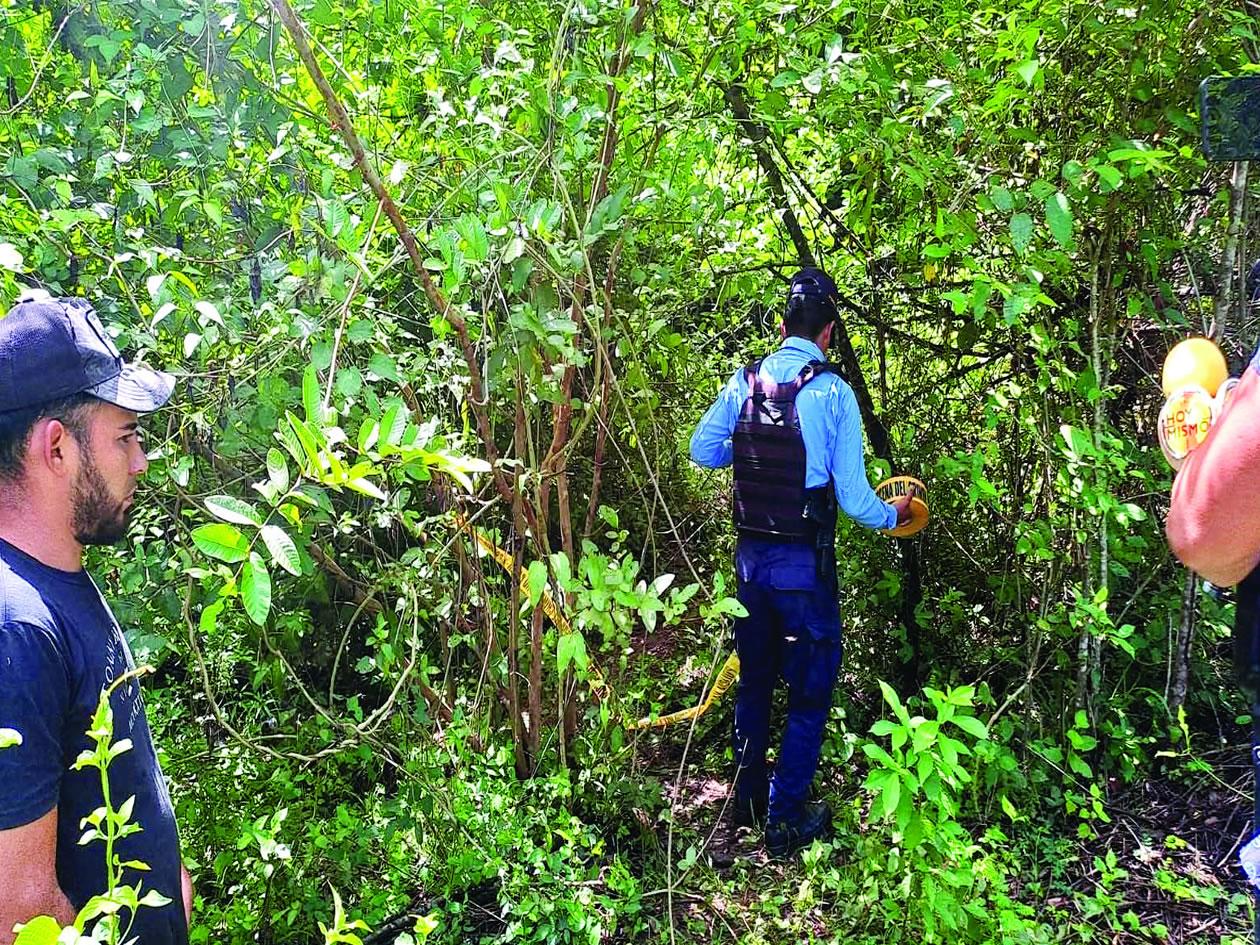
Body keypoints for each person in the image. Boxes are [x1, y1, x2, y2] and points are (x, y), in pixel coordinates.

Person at [689, 268, 911, 858]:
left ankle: (748, 799)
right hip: (805, 571)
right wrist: (899, 516)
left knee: (755, 680)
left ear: (784, 325)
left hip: (749, 569)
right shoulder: (833, 392)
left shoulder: (744, 383)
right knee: (810, 691)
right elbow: (857, 500)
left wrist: (749, 445)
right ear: (829, 333)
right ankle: (784, 820)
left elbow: (701, 451)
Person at [0, 294, 192, 943]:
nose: (140, 462)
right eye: (125, 437)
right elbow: (20, 913)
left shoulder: (59, 579)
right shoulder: (17, 627)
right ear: (57, 447)